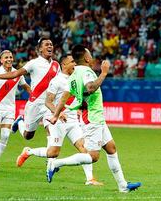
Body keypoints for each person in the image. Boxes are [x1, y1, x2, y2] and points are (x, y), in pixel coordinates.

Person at [47, 45, 141, 192]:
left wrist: (55, 115)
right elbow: (90, 88)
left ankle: (123, 185)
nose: (92, 57)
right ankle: (56, 164)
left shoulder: (74, 74)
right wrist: (103, 73)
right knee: (93, 156)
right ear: (86, 58)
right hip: (92, 118)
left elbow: (64, 97)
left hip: (95, 117)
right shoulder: (86, 71)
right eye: (90, 54)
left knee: (111, 149)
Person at [15, 54, 102, 186]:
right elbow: (48, 102)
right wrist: (58, 112)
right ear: (64, 65)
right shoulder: (56, 81)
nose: (75, 64)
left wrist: (79, 107)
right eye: (72, 62)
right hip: (58, 121)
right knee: (53, 152)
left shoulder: (76, 78)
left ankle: (90, 179)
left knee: (84, 148)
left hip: (73, 121)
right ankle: (29, 151)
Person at [0, 37, 60, 140]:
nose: (50, 46)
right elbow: (16, 73)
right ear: (40, 49)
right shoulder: (33, 63)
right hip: (34, 104)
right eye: (46, 44)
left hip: (49, 103)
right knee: (28, 136)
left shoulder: (56, 65)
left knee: (52, 130)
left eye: (51, 44)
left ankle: (51, 156)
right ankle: (20, 122)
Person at [0, 50, 31, 167]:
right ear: (1, 60)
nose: (9, 59)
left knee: (5, 135)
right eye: (6, 57)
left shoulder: (17, 73)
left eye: (11, 57)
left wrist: (36, 95)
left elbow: (26, 87)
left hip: (11, 109)